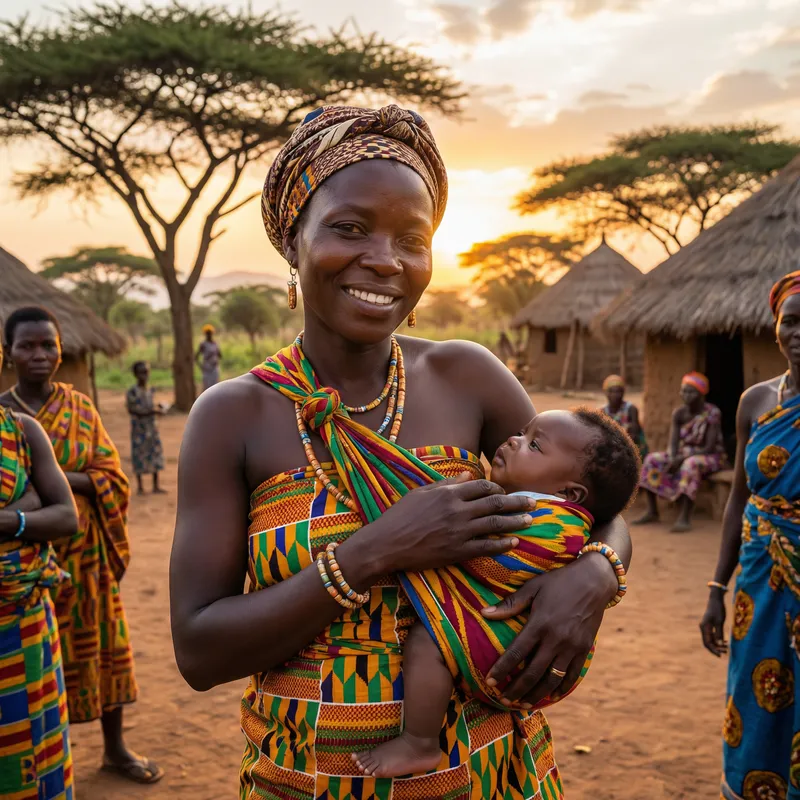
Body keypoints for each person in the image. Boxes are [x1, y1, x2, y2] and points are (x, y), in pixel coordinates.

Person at [170, 104, 632, 800]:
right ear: (294, 243)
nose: (384, 260)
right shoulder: (233, 415)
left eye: (412, 239)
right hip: (312, 777)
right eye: (350, 228)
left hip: (490, 772)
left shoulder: (466, 376)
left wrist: (594, 576)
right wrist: (372, 553)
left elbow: (592, 498)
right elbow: (199, 650)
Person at [353, 408, 640, 778]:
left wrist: (435, 521)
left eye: (533, 444)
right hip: (523, 650)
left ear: (569, 492)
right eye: (522, 432)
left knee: (427, 644)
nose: (512, 440)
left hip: (516, 653)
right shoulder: (543, 509)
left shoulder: (553, 523)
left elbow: (494, 560)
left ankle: (419, 743)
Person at [0, 307, 163, 785]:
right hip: (27, 567)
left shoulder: (80, 408)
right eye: (27, 345)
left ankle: (115, 749)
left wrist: (53, 484)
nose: (40, 355)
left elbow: (111, 476)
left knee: (103, 650)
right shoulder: (6, 417)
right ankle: (50, 758)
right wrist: (56, 489)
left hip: (87, 556)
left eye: (48, 345)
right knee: (35, 667)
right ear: (8, 352)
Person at [700, 273, 800, 800]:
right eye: (792, 320)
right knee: (755, 689)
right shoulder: (756, 402)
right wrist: (717, 590)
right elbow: (738, 498)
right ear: (776, 328)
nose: (799, 331)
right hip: (760, 582)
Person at [0, 334, 79, 800]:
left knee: (35, 746)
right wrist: (28, 508)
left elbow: (65, 516)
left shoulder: (21, 431)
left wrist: (9, 517)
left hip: (24, 620)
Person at [635, 371, 726, 532]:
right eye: (683, 391)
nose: (686, 395)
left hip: (711, 456)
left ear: (701, 393)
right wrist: (672, 457)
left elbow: (710, 446)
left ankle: (684, 517)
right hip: (684, 453)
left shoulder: (712, 413)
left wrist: (682, 459)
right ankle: (652, 510)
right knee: (652, 459)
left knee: (690, 464)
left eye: (691, 391)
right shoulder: (679, 413)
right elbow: (673, 442)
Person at [126, 361, 166, 495]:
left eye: (147, 372)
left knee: (154, 453)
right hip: (139, 429)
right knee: (139, 455)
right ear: (135, 374)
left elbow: (150, 406)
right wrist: (153, 412)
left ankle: (156, 485)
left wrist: (157, 408)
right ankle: (140, 487)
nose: (145, 375)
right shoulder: (132, 392)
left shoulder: (150, 390)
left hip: (151, 428)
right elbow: (133, 410)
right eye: (142, 372)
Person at [601, 374, 648, 458]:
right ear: (606, 393)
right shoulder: (602, 411)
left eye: (619, 391)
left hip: (631, 447)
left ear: (623, 392)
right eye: (612, 391)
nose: (615, 395)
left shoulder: (631, 409)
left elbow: (634, 434)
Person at [196, 324, 221, 391]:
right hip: (207, 369)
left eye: (210, 333)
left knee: (215, 387)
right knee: (207, 388)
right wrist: (201, 367)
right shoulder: (203, 344)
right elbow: (196, 357)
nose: (209, 335)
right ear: (205, 334)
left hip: (214, 368)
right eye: (207, 333)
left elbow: (220, 355)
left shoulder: (215, 344)